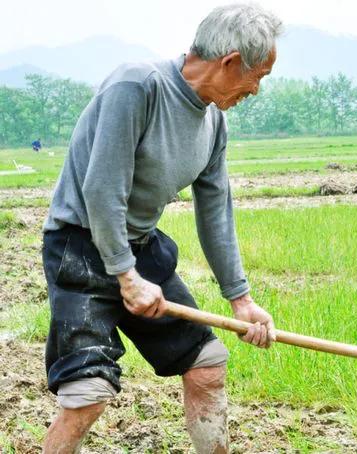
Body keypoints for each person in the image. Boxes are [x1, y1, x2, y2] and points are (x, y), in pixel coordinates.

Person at [40, 4, 283, 453]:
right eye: (259, 76)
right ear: (230, 62)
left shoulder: (213, 123)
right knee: (88, 393)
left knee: (207, 363)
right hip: (80, 245)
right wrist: (125, 275)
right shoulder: (137, 86)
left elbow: (215, 212)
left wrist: (241, 299)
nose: (257, 90)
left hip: (140, 246)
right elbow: (101, 189)